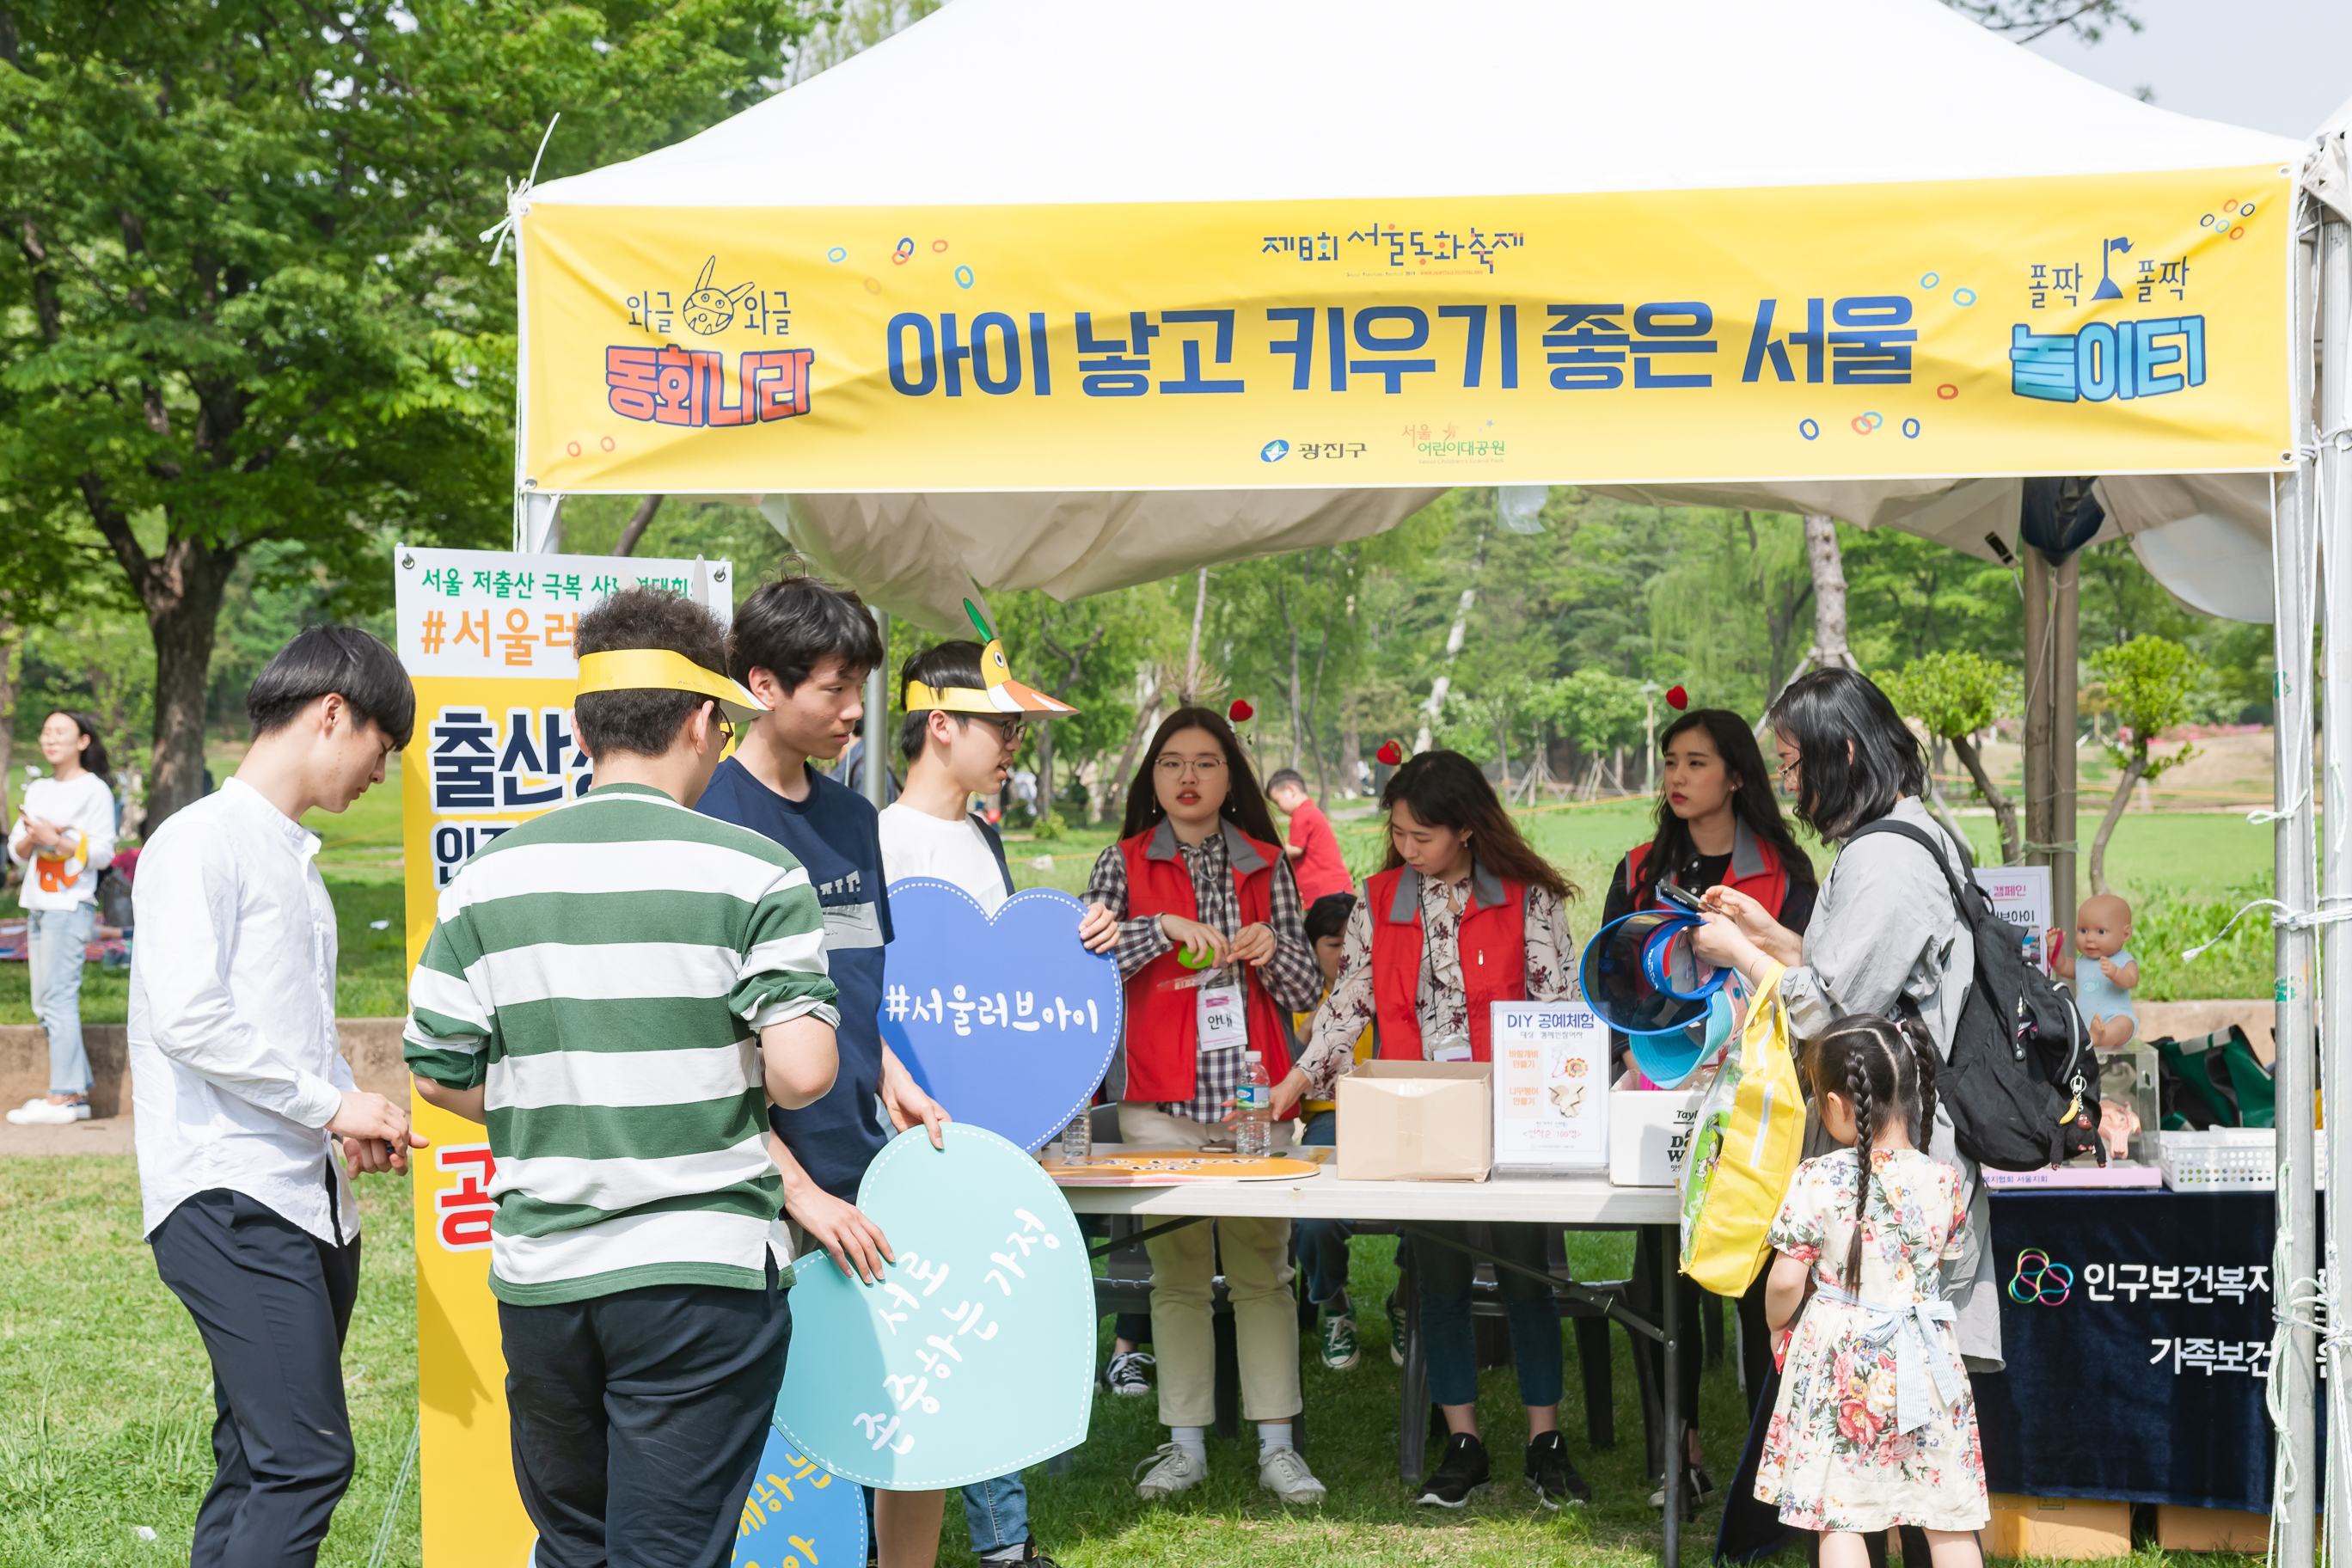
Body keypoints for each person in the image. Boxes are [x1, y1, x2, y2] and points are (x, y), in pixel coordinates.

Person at [407, 589, 842, 1567]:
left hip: (544, 1279)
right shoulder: (758, 874)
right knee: (669, 1551)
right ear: (703, 721)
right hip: (698, 1272)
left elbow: (438, 1073)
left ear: (582, 728)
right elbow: (804, 1074)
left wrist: (555, 1095)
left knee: (575, 1545)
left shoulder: (487, 878)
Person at [134, 627, 425, 1568]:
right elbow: (191, 1019)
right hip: (230, 1195)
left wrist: (345, 1108)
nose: (379, 777)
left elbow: (291, 1029)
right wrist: (332, 1106)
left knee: (257, 1458)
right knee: (305, 1460)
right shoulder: (198, 843)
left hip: (302, 1198)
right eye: (382, 752)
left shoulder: (295, 867)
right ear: (332, 714)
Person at [692, 575, 967, 1568]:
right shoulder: (710, 822)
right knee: (780, 1437)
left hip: (869, 1164)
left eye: (860, 687)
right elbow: (707, 1048)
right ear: (760, 683)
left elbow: (856, 983)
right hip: (759, 1189)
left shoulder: (856, 822)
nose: (856, 712)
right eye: (835, 689)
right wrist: (799, 1193)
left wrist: (893, 1073)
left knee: (910, 1412)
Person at [1277, 750, 1592, 1510]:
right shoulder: (1377, 900)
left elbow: (1558, 1013)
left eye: (1422, 836)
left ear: (1466, 829)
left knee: (1528, 1280)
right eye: (1399, 834)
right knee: (1439, 1283)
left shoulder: (1529, 899)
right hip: (1415, 1113)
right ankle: (1465, 1443)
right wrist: (1290, 1087)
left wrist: (1561, 1113)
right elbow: (1347, 1006)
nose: (1407, 849)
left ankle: (1545, 1441)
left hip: (1514, 1116)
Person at [1691, 667, 1999, 1378]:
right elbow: (1867, 980)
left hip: (1891, 1154)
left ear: (1847, 754)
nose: (1789, 784)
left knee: (1871, 1381)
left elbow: (1835, 1015)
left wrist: (1739, 954)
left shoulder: (1886, 858)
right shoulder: (1898, 837)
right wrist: (1772, 936)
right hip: (1889, 1144)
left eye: (1794, 763)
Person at [1075, 707, 1328, 1505]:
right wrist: (1157, 929)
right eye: (1171, 764)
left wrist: (1270, 948)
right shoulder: (1119, 865)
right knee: (1177, 1276)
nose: (1188, 779)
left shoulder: (1266, 862)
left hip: (1253, 1104)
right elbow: (1085, 968)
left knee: (1263, 1270)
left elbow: (1303, 989)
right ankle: (1184, 1447)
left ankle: (1278, 1447)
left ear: (1231, 777)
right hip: (1159, 1101)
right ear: (1152, 779)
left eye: (1206, 763)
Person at [878, 634, 1075, 1568]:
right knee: (916, 1344)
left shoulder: (981, 835)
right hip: (899, 1139)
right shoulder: (878, 840)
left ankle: (1006, 1538)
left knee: (978, 1332)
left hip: (989, 1135)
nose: (1013, 745)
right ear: (939, 723)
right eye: (1000, 725)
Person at [1597, 707, 1820, 1507]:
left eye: (1696, 762)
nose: (1678, 777)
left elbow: (1812, 985)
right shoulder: (1638, 867)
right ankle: (1676, 1453)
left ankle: (1772, 1462)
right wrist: (1634, 1060)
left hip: (1760, 1101)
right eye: (1670, 762)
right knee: (1662, 1284)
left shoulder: (1788, 872)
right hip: (1663, 1093)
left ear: (1736, 775)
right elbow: (1612, 983)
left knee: (1763, 1274)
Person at [1757, 1014, 1988, 1560]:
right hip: (1927, 1358)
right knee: (1947, 1514)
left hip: (1843, 1362)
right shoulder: (1943, 1180)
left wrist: (1775, 1325)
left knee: (1840, 1514)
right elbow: (1949, 1264)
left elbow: (1787, 1279)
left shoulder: (1818, 1178)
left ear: (1839, 1104)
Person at [8, 710, 118, 1125]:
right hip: (37, 902)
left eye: (60, 732)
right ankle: (74, 1092)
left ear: (83, 742)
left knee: (59, 999)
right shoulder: (37, 788)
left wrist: (58, 840)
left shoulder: (94, 791)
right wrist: (34, 840)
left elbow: (105, 853)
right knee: (44, 1001)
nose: (50, 739)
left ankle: (65, 1098)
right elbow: (16, 852)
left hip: (71, 906)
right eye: (45, 731)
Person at [1290, 891, 1376, 1372]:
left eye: (1355, 942)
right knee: (1314, 1218)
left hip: (1395, 1115)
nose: (1346, 954)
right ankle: (1335, 1305)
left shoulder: (1389, 990)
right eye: (1333, 944)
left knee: (1431, 1210)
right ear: (1311, 948)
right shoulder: (1302, 1002)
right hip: (1329, 1117)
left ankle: (1408, 1298)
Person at [1265, 768, 1354, 905]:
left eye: (1277, 801)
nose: (1279, 808)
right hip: (1336, 889)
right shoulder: (1311, 811)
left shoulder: (1301, 815)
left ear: (1290, 791)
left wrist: (1270, 850)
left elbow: (1295, 849)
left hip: (1324, 892)